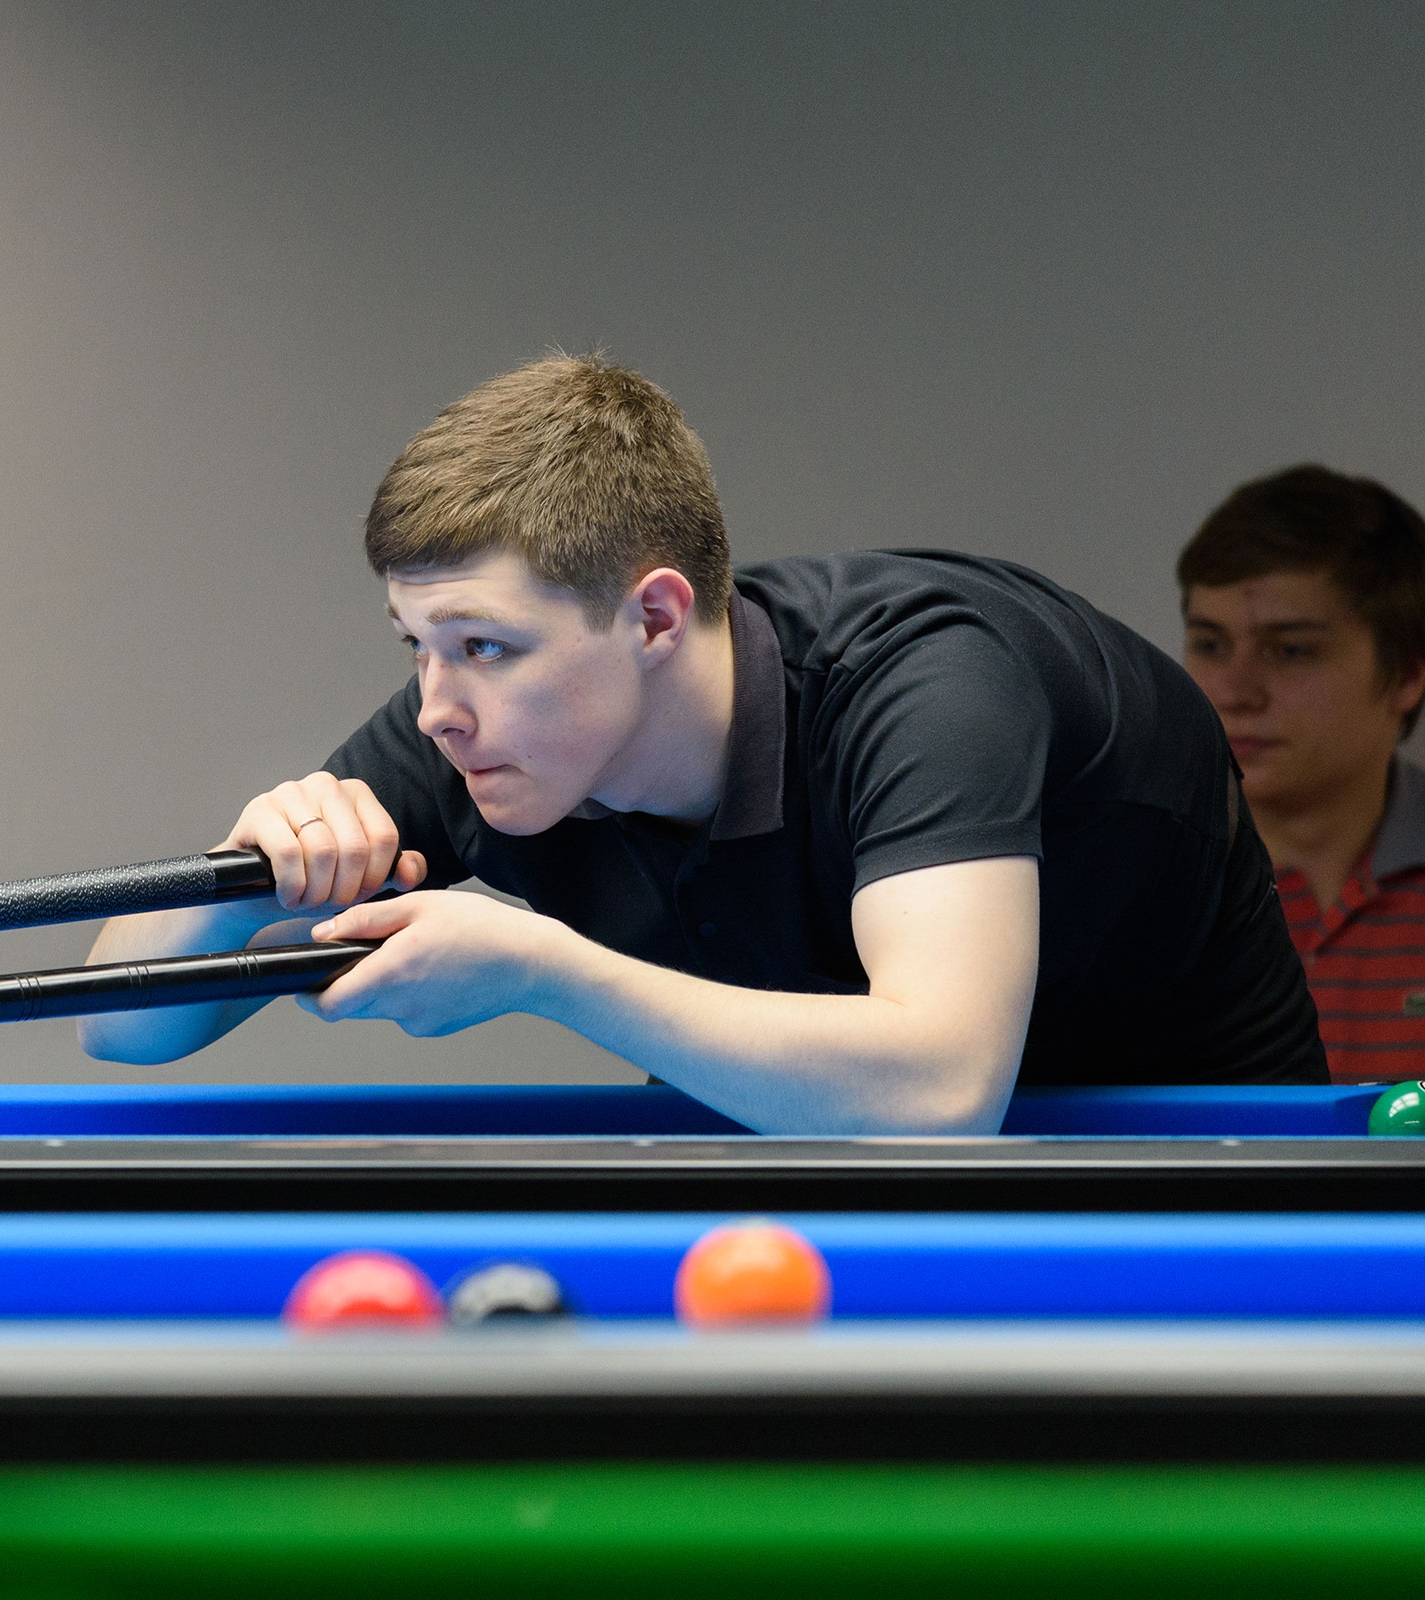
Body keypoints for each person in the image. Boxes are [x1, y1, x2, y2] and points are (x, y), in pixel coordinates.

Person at [81, 356, 1325, 1132]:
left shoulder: (930, 687)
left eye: (484, 643)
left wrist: (546, 970)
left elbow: (939, 1094)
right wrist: (248, 874)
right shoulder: (481, 736)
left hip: (1203, 1152)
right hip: (814, 1129)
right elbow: (121, 1025)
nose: (437, 703)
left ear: (656, 617)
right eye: (417, 644)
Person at [1178, 466, 1425, 1084]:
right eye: (1210, 645)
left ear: (1407, 675)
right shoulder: (1140, 880)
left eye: (1291, 650)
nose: (1235, 692)